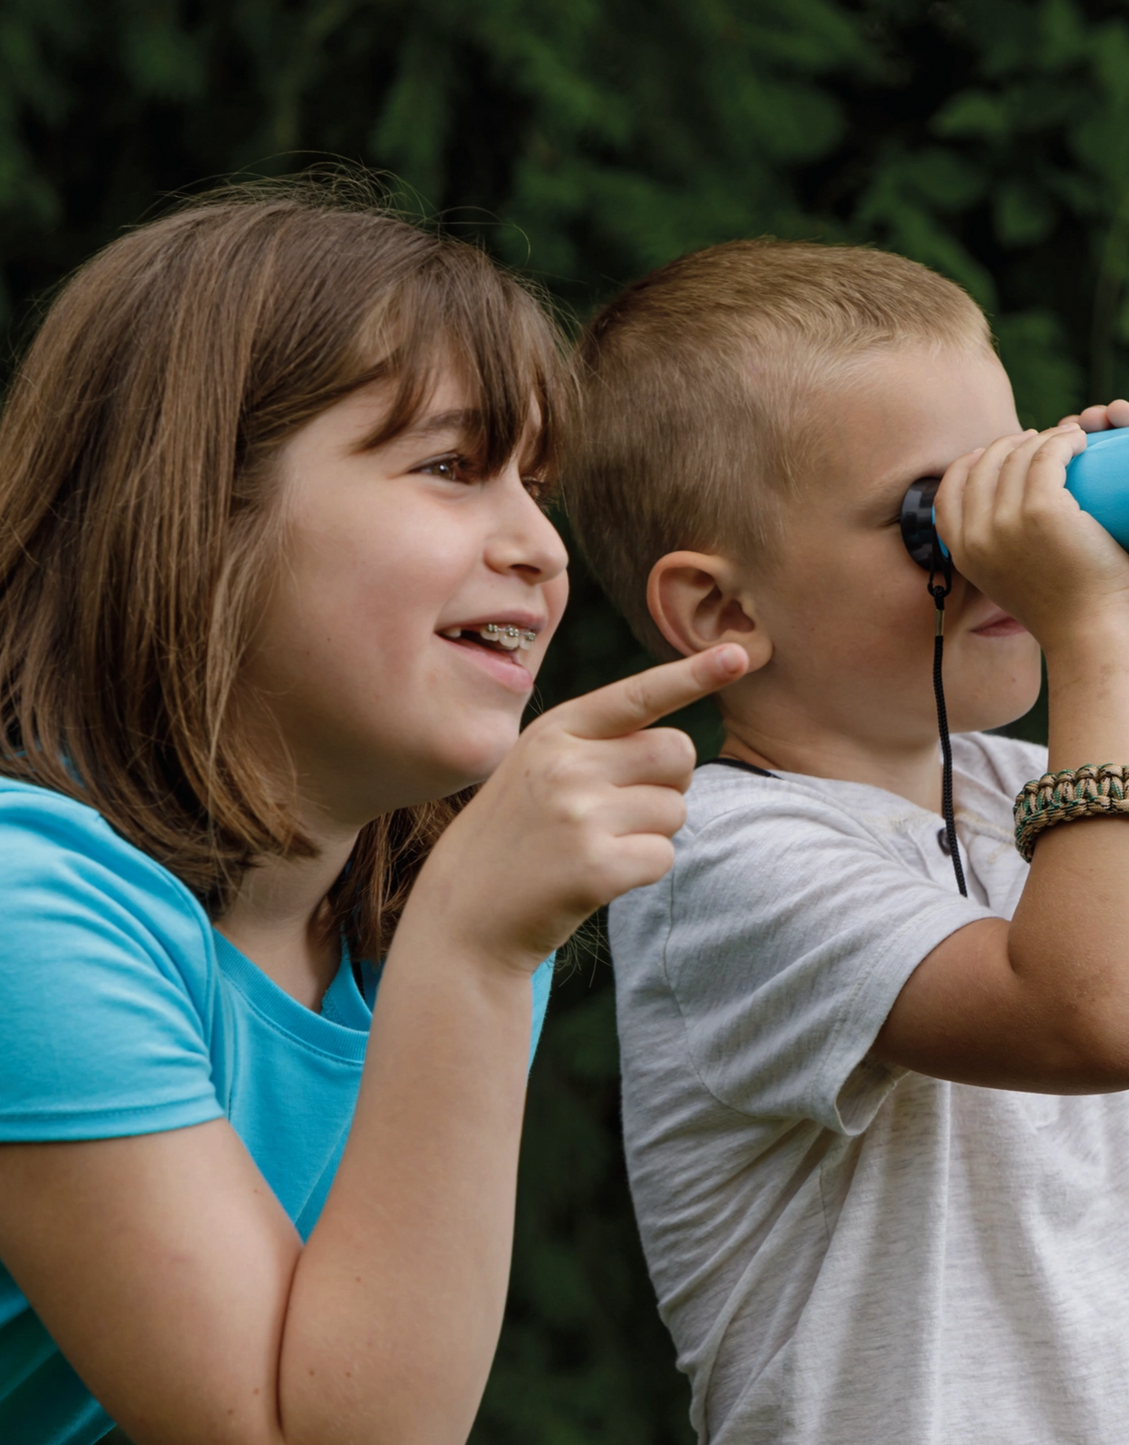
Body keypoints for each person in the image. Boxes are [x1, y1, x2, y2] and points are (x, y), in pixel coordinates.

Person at [561, 239, 1129, 1445]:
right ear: (720, 610)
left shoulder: (1017, 792)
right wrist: (1089, 624)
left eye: (1013, 481)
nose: (1008, 547)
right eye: (934, 515)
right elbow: (1100, 1016)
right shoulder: (720, 862)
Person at [0, 181, 746, 1445]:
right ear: (199, 511)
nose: (539, 547)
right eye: (451, 467)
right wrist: (471, 951)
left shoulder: (418, 934)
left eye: (534, 484)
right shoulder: (27, 904)